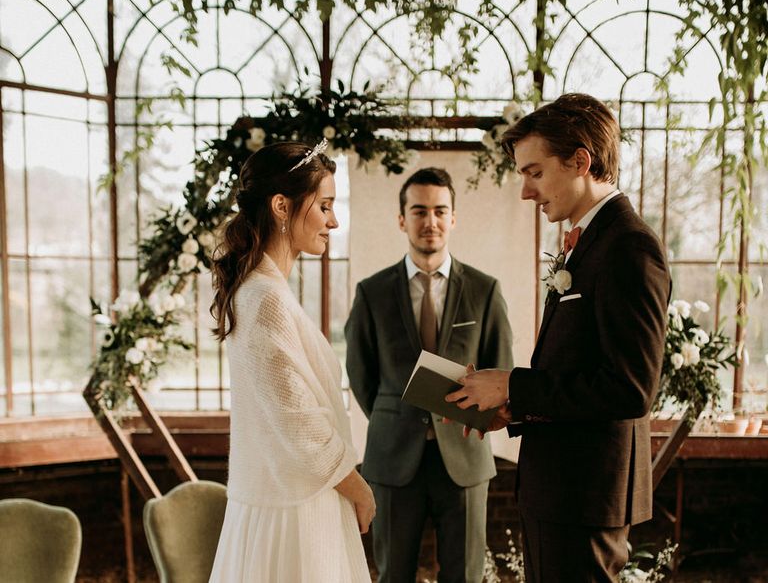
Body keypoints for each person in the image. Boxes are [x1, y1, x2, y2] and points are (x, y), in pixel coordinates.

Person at [446, 93, 672, 582]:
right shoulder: (590, 242)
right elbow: (579, 368)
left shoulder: (628, 247)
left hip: (583, 495)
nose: (526, 192)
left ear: (580, 161)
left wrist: (513, 385)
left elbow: (631, 387)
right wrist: (514, 408)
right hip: (563, 490)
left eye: (534, 172)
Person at [208, 141, 374, 582]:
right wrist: (358, 489)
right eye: (325, 206)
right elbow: (297, 420)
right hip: (292, 517)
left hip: (299, 498)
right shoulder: (264, 298)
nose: (333, 221)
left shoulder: (267, 290)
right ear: (282, 206)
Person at [345, 167, 514, 583]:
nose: (430, 221)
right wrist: (399, 417)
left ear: (453, 217)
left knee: (465, 576)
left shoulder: (484, 289)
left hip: (465, 456)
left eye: (440, 211)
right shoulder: (372, 292)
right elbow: (361, 373)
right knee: (393, 575)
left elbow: (500, 370)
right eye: (419, 211)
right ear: (402, 219)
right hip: (392, 457)